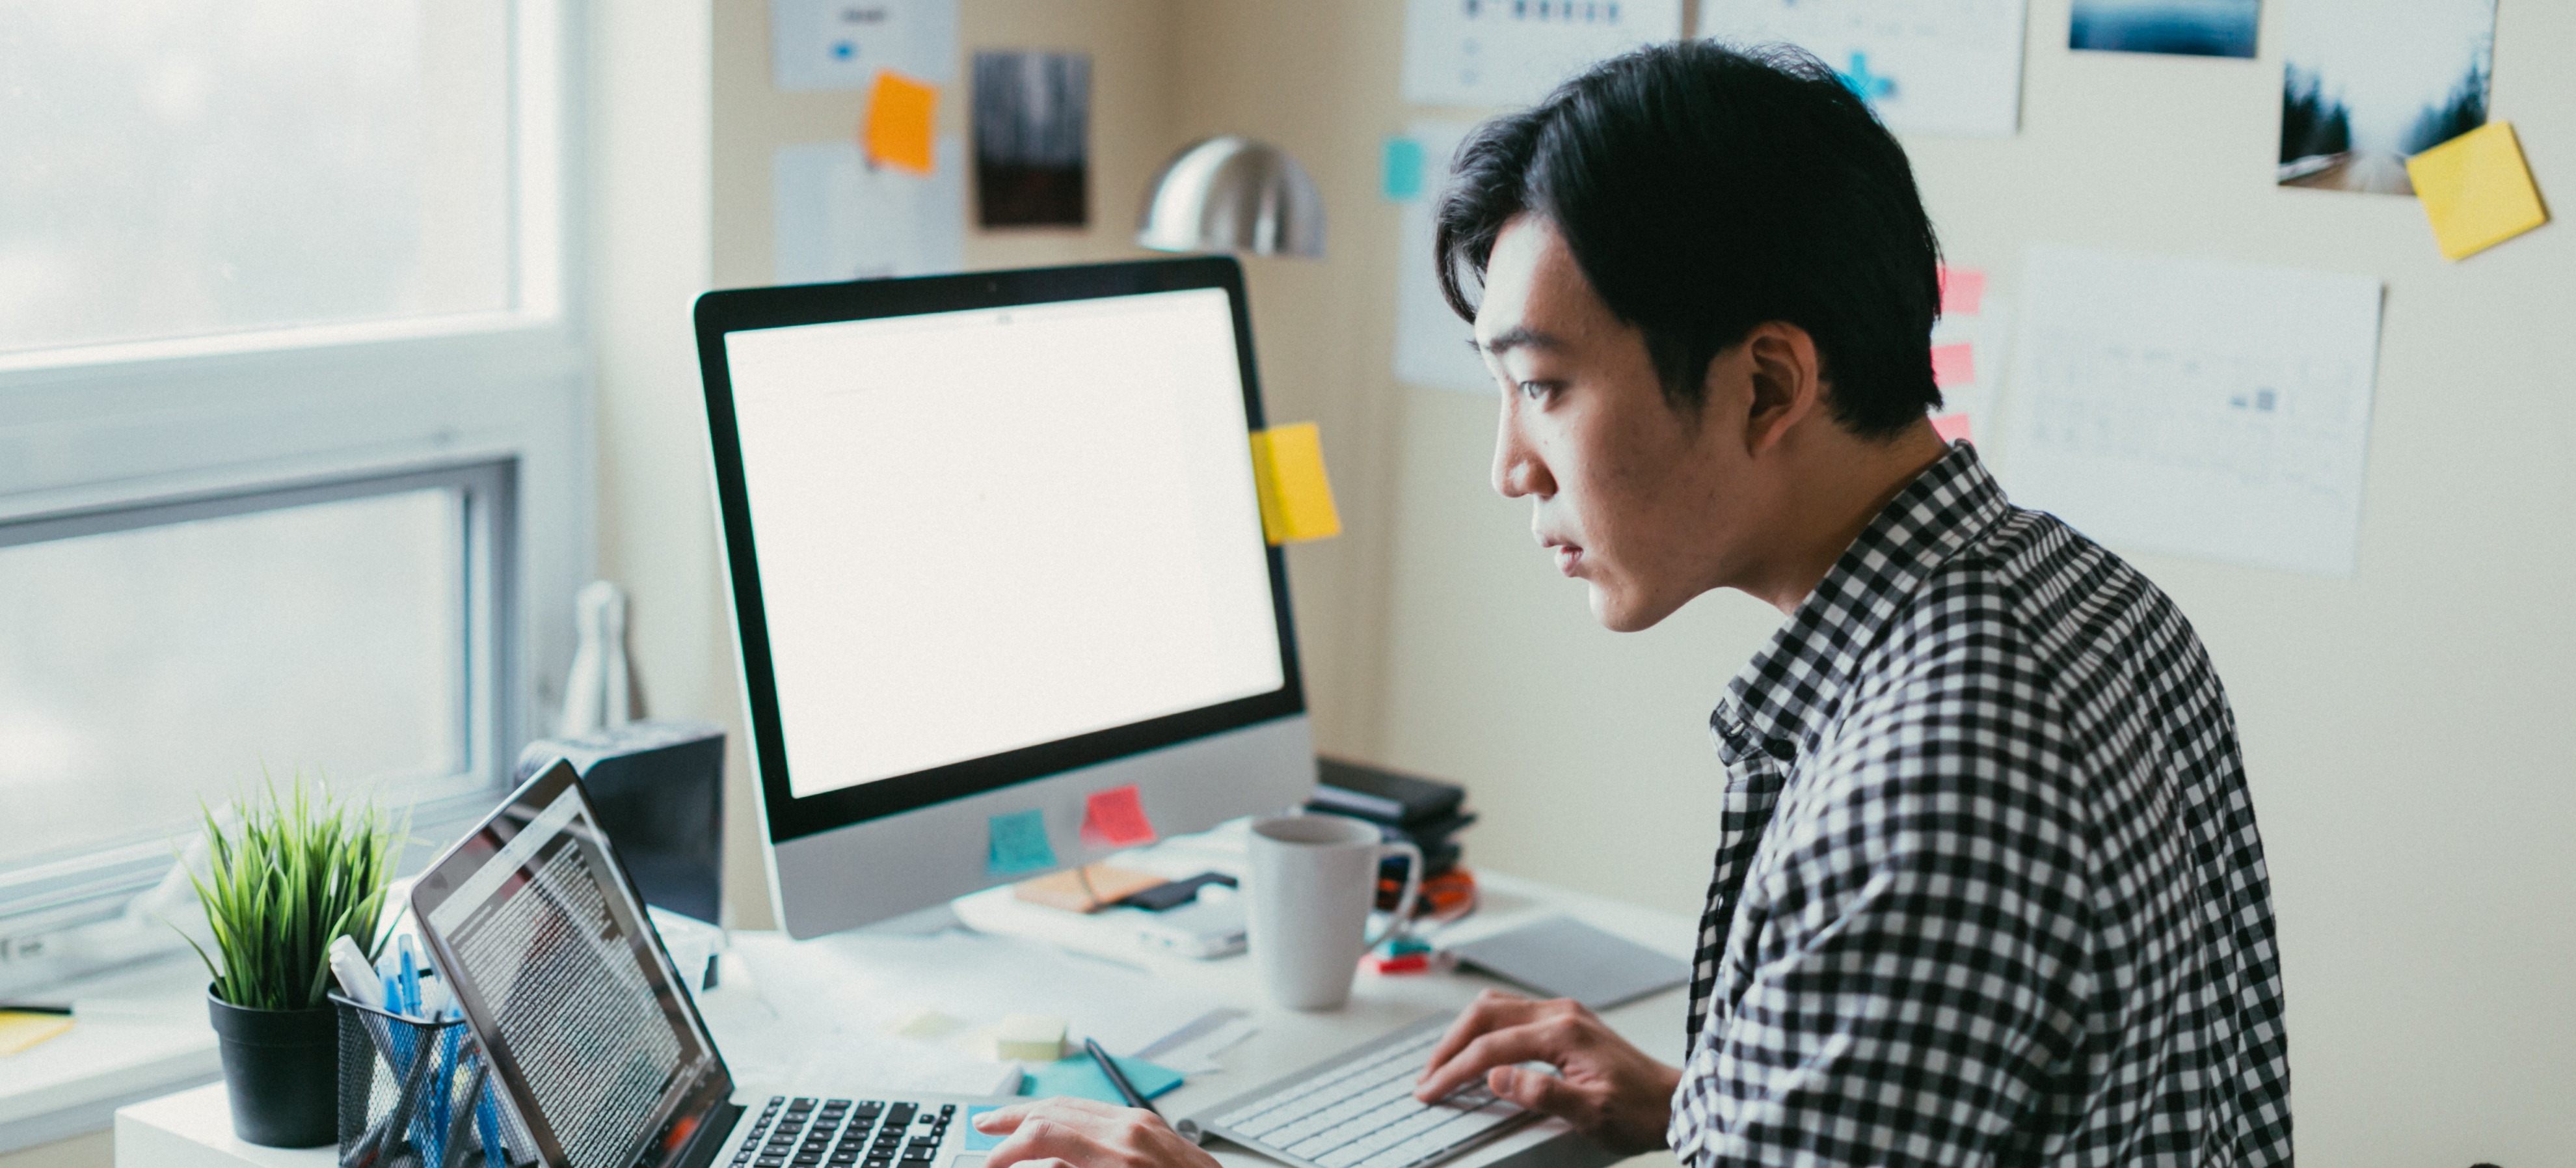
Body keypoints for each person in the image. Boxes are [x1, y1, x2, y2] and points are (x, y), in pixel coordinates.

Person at [971, 40, 2292, 1168]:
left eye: (1543, 387)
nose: (1510, 466)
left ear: (1768, 386)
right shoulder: (2093, 603)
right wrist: (1713, 1106)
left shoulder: (1921, 782)